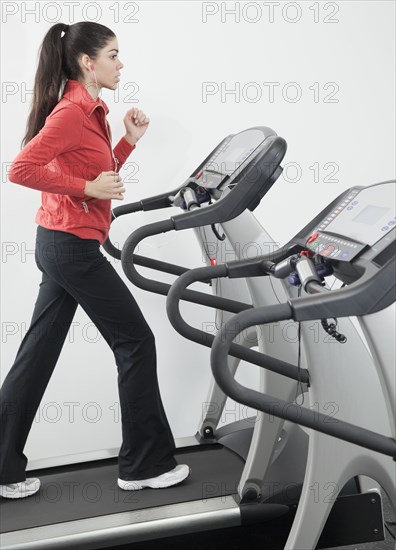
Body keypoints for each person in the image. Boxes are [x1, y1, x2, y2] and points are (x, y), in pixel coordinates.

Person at [0, 21, 190, 499]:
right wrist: (85, 189)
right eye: (113, 55)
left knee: (37, 354)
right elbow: (20, 169)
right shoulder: (71, 111)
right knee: (136, 342)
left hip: (60, 243)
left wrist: (126, 141)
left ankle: (1, 467)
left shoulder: (92, 110)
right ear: (88, 62)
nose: (120, 63)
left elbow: (97, 173)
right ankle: (144, 465)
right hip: (71, 249)